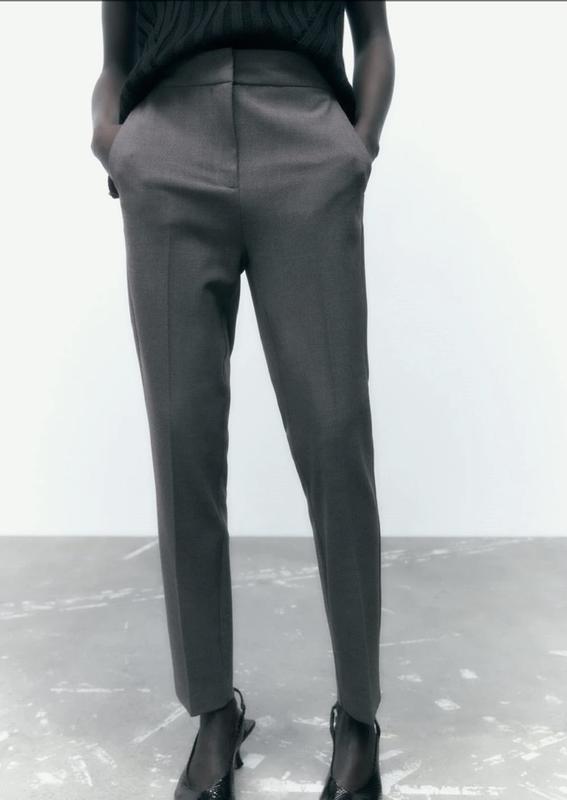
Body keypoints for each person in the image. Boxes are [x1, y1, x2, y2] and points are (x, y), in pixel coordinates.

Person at [90, 2, 395, 799]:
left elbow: (374, 38)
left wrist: (356, 148)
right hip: (166, 146)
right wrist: (112, 139)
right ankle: (212, 711)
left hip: (305, 142)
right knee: (182, 439)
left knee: (334, 432)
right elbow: (115, 58)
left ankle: (360, 717)